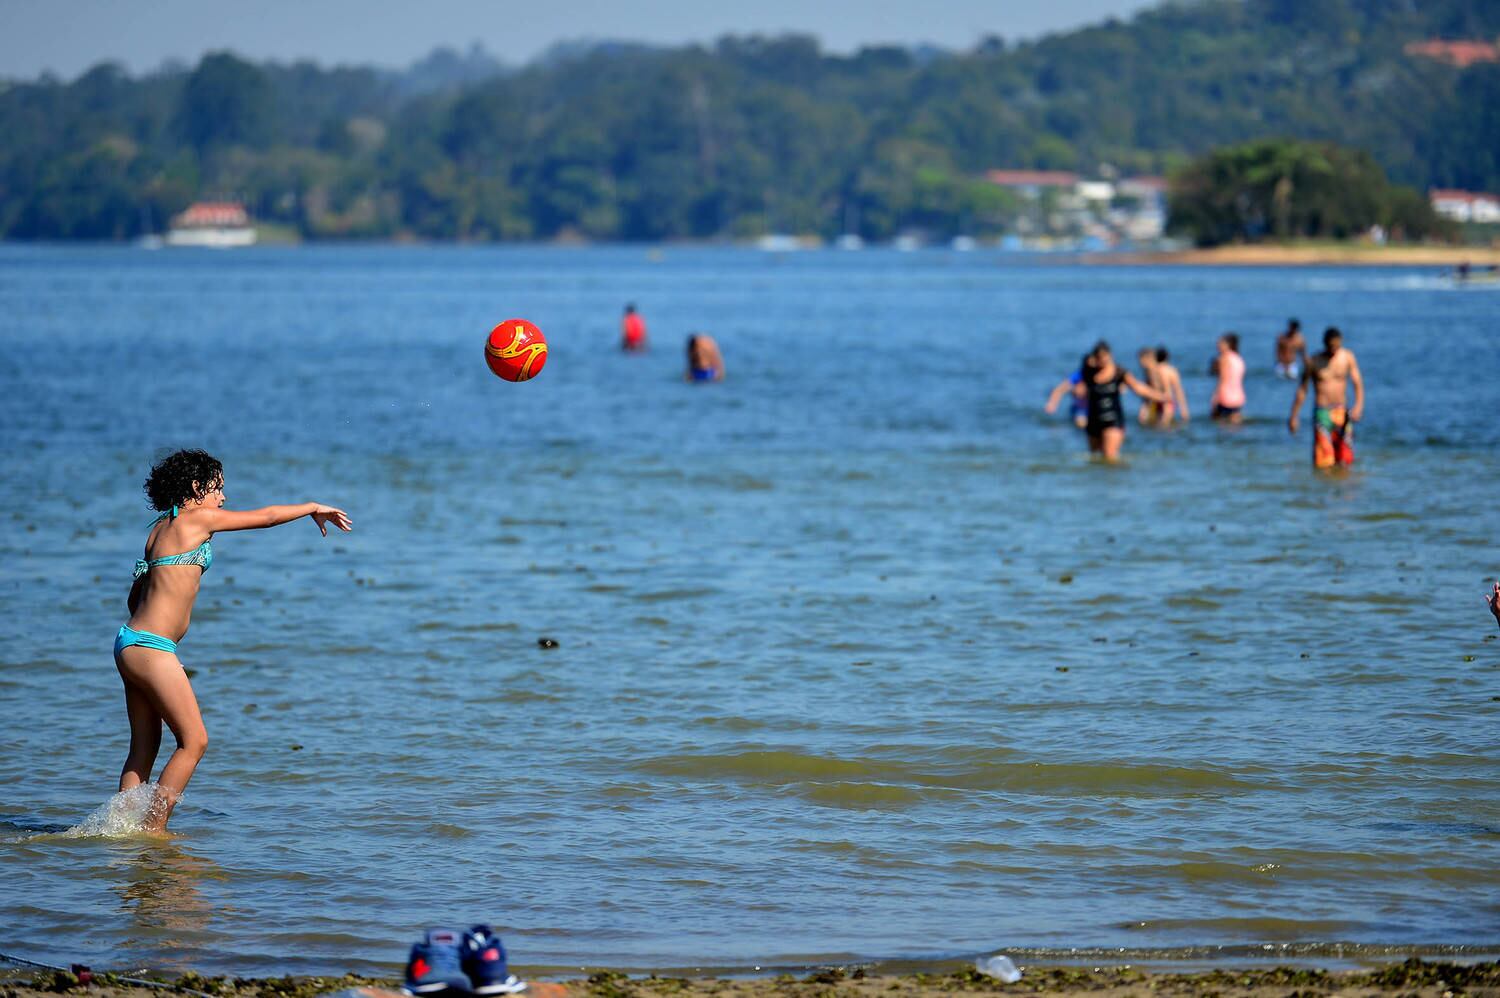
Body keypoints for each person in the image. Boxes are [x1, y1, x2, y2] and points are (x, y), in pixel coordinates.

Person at [115, 449, 351, 832]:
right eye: (218, 488)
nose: (223, 497)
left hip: (129, 642)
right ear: (196, 487)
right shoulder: (199, 519)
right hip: (153, 648)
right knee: (195, 742)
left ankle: (119, 829)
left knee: (143, 749)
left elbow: (136, 596)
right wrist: (311, 506)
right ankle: (151, 831)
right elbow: (267, 517)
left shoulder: (160, 527)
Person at [1080, 341, 1170, 461]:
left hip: (1113, 420)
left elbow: (1139, 388)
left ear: (1110, 355)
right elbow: (1077, 387)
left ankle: (1115, 478)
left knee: (1109, 458)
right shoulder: (1089, 372)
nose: (1102, 360)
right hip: (1093, 420)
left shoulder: (1119, 372)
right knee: (1094, 459)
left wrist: (1161, 396)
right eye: (1099, 357)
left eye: (1105, 356)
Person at [1289, 327, 1364, 469]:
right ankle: (1323, 489)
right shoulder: (1314, 361)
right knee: (1323, 462)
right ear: (1324, 343)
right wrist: (1294, 416)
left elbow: (1358, 382)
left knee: (1345, 460)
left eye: (1337, 345)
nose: (1333, 349)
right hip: (1322, 413)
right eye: (1331, 346)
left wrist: (1358, 406)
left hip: (1342, 412)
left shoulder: (1347, 357)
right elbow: (1302, 390)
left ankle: (1343, 488)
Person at [1044, 358, 1090, 429]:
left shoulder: (1101, 375)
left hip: (1093, 409)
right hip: (1080, 409)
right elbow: (1059, 390)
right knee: (1081, 423)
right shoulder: (1078, 376)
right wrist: (1052, 404)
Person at [1210, 332, 1246, 423]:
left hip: (1225, 396)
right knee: (1235, 425)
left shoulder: (1224, 358)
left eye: (1220, 343)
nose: (1218, 345)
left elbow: (1223, 379)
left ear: (1228, 345)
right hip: (1239, 396)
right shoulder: (1238, 358)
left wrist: (1215, 397)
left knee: (1220, 426)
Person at [1149, 346, 1190, 426]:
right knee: (1166, 427)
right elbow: (1178, 390)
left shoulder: (1153, 370)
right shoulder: (1171, 370)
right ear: (1167, 357)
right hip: (1167, 401)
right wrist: (1184, 409)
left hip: (1155, 400)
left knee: (1154, 426)